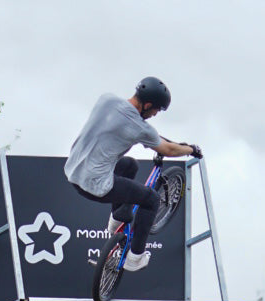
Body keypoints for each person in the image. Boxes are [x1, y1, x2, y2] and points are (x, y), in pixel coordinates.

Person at [65, 78, 200, 274]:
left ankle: (117, 220)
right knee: (152, 199)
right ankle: (135, 257)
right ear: (147, 105)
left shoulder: (107, 99)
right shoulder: (138, 127)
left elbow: (131, 127)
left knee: (129, 165)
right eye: (156, 110)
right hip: (95, 186)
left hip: (73, 171)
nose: (154, 115)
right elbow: (168, 149)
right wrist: (190, 149)